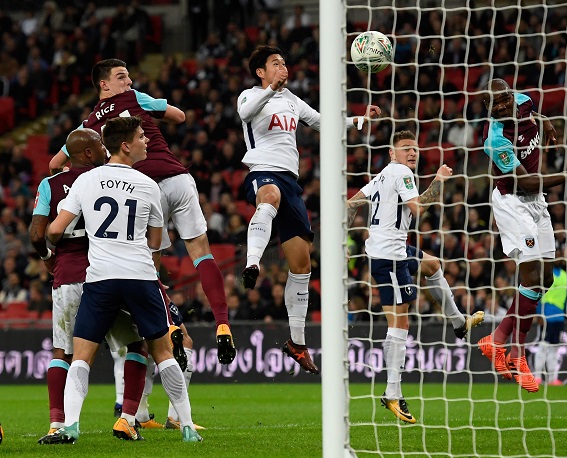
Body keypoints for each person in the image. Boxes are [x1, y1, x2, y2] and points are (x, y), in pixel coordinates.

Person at [48, 58, 235, 365]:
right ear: (103, 84)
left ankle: (170, 324)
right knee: (202, 252)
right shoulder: (136, 99)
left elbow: (56, 164)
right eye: (122, 77)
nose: (129, 82)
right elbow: (179, 116)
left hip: (145, 188)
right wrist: (150, 112)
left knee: (151, 266)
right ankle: (222, 322)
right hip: (179, 179)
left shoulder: (87, 128)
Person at [41, 116, 202, 444]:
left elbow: (55, 230)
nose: (147, 141)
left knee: (81, 355)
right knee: (162, 352)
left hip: (100, 279)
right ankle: (185, 425)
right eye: (142, 137)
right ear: (125, 145)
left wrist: (60, 251)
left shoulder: (87, 180)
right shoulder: (148, 185)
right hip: (140, 278)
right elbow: (156, 243)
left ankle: (70, 426)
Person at [236, 45, 381, 374]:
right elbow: (245, 115)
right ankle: (253, 263)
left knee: (301, 266)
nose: (283, 67)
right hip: (263, 171)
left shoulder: (291, 101)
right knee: (268, 197)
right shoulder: (248, 96)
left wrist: (360, 119)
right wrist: (271, 89)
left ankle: (297, 344)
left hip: (292, 183)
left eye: (284, 62)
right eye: (276, 63)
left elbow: (323, 123)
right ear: (261, 71)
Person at [346, 130, 485, 424]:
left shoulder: (383, 175)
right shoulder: (401, 172)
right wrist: (439, 181)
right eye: (406, 148)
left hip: (392, 249)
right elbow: (419, 208)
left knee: (432, 265)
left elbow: (352, 204)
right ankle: (392, 392)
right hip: (390, 257)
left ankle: (459, 323)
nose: (412, 153)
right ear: (393, 153)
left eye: (415, 149)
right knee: (400, 324)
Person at [476, 78, 567, 393]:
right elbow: (528, 183)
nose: (506, 104)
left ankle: (497, 341)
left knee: (545, 278)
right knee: (532, 274)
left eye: (506, 97)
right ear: (488, 108)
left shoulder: (523, 100)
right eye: (498, 102)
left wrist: (545, 126)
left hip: (537, 203)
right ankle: (517, 354)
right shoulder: (494, 139)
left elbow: (535, 115)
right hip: (513, 202)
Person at [533, 253, 567, 386]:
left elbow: (566, 297)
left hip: (559, 316)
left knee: (555, 347)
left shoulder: (565, 275)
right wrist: (538, 313)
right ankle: (537, 376)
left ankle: (552, 379)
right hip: (546, 314)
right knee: (543, 345)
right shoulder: (545, 274)